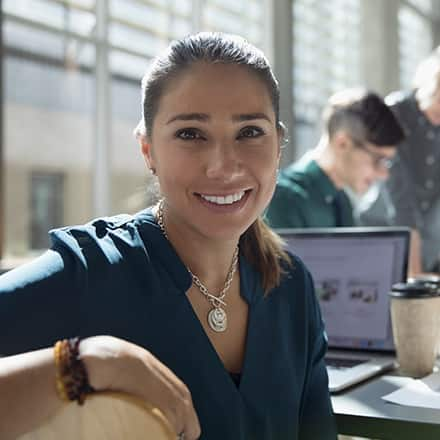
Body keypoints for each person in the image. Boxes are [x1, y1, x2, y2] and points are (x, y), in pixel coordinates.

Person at [0, 32, 337, 440]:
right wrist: (83, 363)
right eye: (190, 134)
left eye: (249, 132)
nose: (223, 166)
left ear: (279, 144)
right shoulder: (89, 273)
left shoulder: (290, 285)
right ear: (148, 151)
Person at [265, 89, 405, 229]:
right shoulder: (282, 199)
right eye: (378, 159)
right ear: (342, 144)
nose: (384, 174)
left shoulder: (342, 201)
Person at [362, 47, 440, 273]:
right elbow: (399, 193)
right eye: (436, 97)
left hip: (429, 228)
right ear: (425, 83)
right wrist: (414, 278)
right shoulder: (396, 111)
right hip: (386, 218)